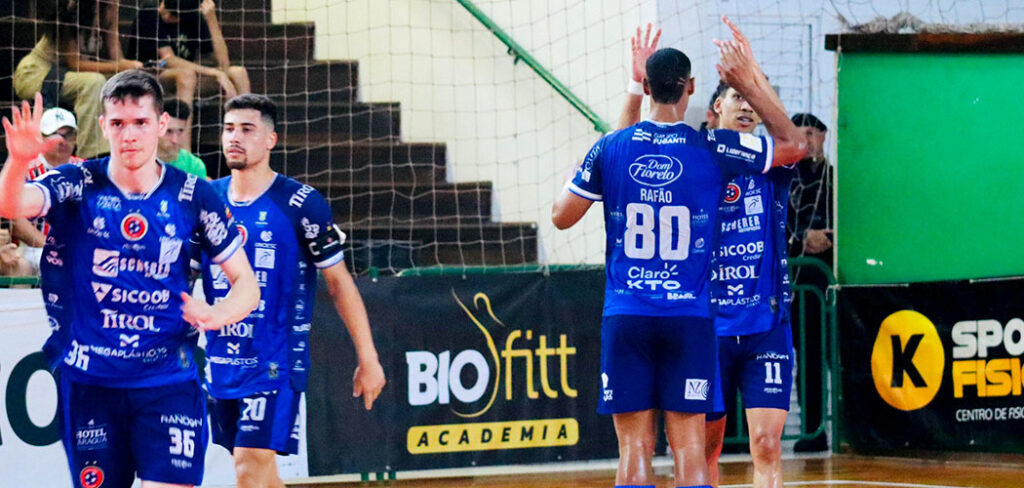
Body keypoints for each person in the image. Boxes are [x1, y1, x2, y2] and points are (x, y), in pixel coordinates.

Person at [551, 17, 806, 488]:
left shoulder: (611, 147)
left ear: (647, 86)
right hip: (690, 318)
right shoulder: (713, 145)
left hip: (628, 313)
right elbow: (793, 145)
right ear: (691, 88)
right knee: (691, 452)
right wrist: (748, 77)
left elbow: (561, 216)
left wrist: (594, 153)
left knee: (634, 449)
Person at [0, 71, 260, 488]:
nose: (129, 135)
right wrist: (16, 161)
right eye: (118, 124)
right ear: (103, 126)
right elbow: (12, 202)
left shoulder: (194, 194)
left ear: (160, 124)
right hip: (91, 383)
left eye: (140, 122)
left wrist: (215, 313)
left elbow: (247, 285)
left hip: (167, 381)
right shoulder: (78, 182)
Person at [617, 20, 796, 488]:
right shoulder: (696, 155)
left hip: (764, 328)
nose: (748, 107)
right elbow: (623, 153)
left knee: (767, 445)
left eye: (753, 102)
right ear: (713, 105)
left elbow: (794, 145)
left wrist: (752, 79)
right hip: (705, 327)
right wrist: (637, 89)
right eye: (737, 97)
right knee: (705, 449)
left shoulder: (765, 163)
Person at [195, 94, 385, 488]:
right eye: (229, 129)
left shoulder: (300, 203)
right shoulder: (206, 198)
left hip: (276, 363)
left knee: (248, 467)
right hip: (223, 359)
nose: (235, 138)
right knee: (261, 475)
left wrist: (368, 359)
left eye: (247, 130)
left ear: (271, 140)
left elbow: (339, 284)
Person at [13, 0, 144, 158]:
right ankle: (91, 155)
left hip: (67, 75)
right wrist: (120, 67)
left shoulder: (109, 12)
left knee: (127, 83)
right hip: (36, 74)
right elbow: (75, 64)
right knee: (94, 82)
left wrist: (130, 68)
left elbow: (117, 60)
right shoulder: (73, 10)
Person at [786, 112, 832, 452]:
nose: (810, 139)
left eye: (815, 132)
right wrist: (803, 238)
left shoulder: (836, 181)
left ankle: (832, 431)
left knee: (826, 358)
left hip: (827, 286)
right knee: (804, 360)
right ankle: (812, 431)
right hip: (793, 286)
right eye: (803, 133)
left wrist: (830, 238)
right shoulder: (784, 180)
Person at [126, 0, 251, 114]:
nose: (163, 12)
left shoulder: (195, 18)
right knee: (186, 76)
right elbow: (168, 59)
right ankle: (182, 137)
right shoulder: (150, 11)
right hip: (152, 77)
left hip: (188, 75)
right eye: (164, 5)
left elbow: (224, 63)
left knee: (238, 73)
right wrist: (215, 73)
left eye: (171, 15)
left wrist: (212, 21)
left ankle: (245, 129)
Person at [12, 107, 85, 273]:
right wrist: (49, 245)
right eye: (55, 134)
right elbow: (16, 220)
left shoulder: (85, 170)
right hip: (35, 247)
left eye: (68, 135)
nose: (62, 141)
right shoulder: (25, 169)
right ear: (41, 138)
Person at [159, 99, 209, 178]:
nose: (175, 140)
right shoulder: (138, 160)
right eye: (168, 131)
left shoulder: (194, 166)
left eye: (180, 131)